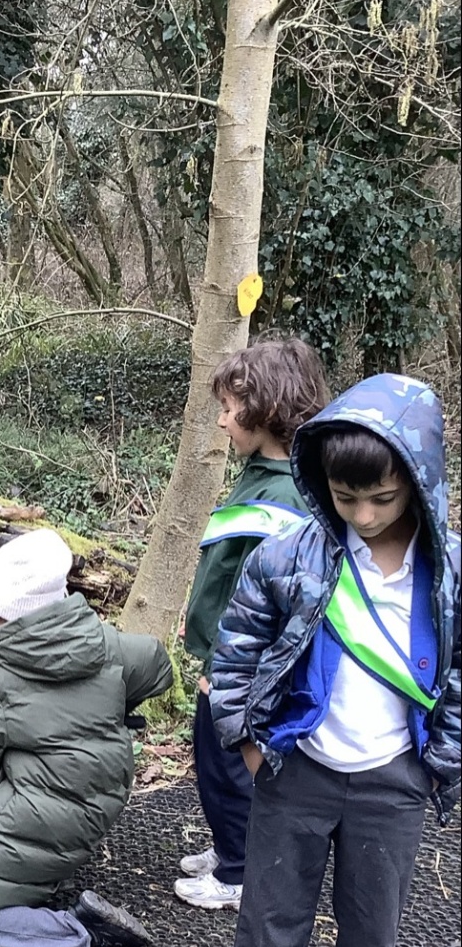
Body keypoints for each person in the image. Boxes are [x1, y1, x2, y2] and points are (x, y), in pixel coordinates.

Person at [210, 374, 460, 947]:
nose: (365, 515)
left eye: (383, 498)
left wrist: (436, 766)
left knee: (373, 927)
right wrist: (248, 744)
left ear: (419, 481)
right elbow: (235, 651)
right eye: (347, 498)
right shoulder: (290, 555)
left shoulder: (449, 573)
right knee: (271, 912)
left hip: (395, 778)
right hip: (298, 765)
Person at [0, 528, 175, 947]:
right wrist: (116, 704)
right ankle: (39, 875)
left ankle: (77, 931)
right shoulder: (104, 642)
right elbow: (157, 664)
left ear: (10, 615)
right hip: (97, 800)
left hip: (48, 812)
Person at [178, 336, 328, 911]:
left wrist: (228, 667)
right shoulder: (262, 473)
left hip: (242, 662)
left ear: (266, 407)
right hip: (225, 648)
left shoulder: (290, 492)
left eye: (229, 408)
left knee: (229, 762)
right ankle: (230, 847)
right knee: (212, 755)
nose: (221, 420)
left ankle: (239, 871)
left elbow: (275, 598)